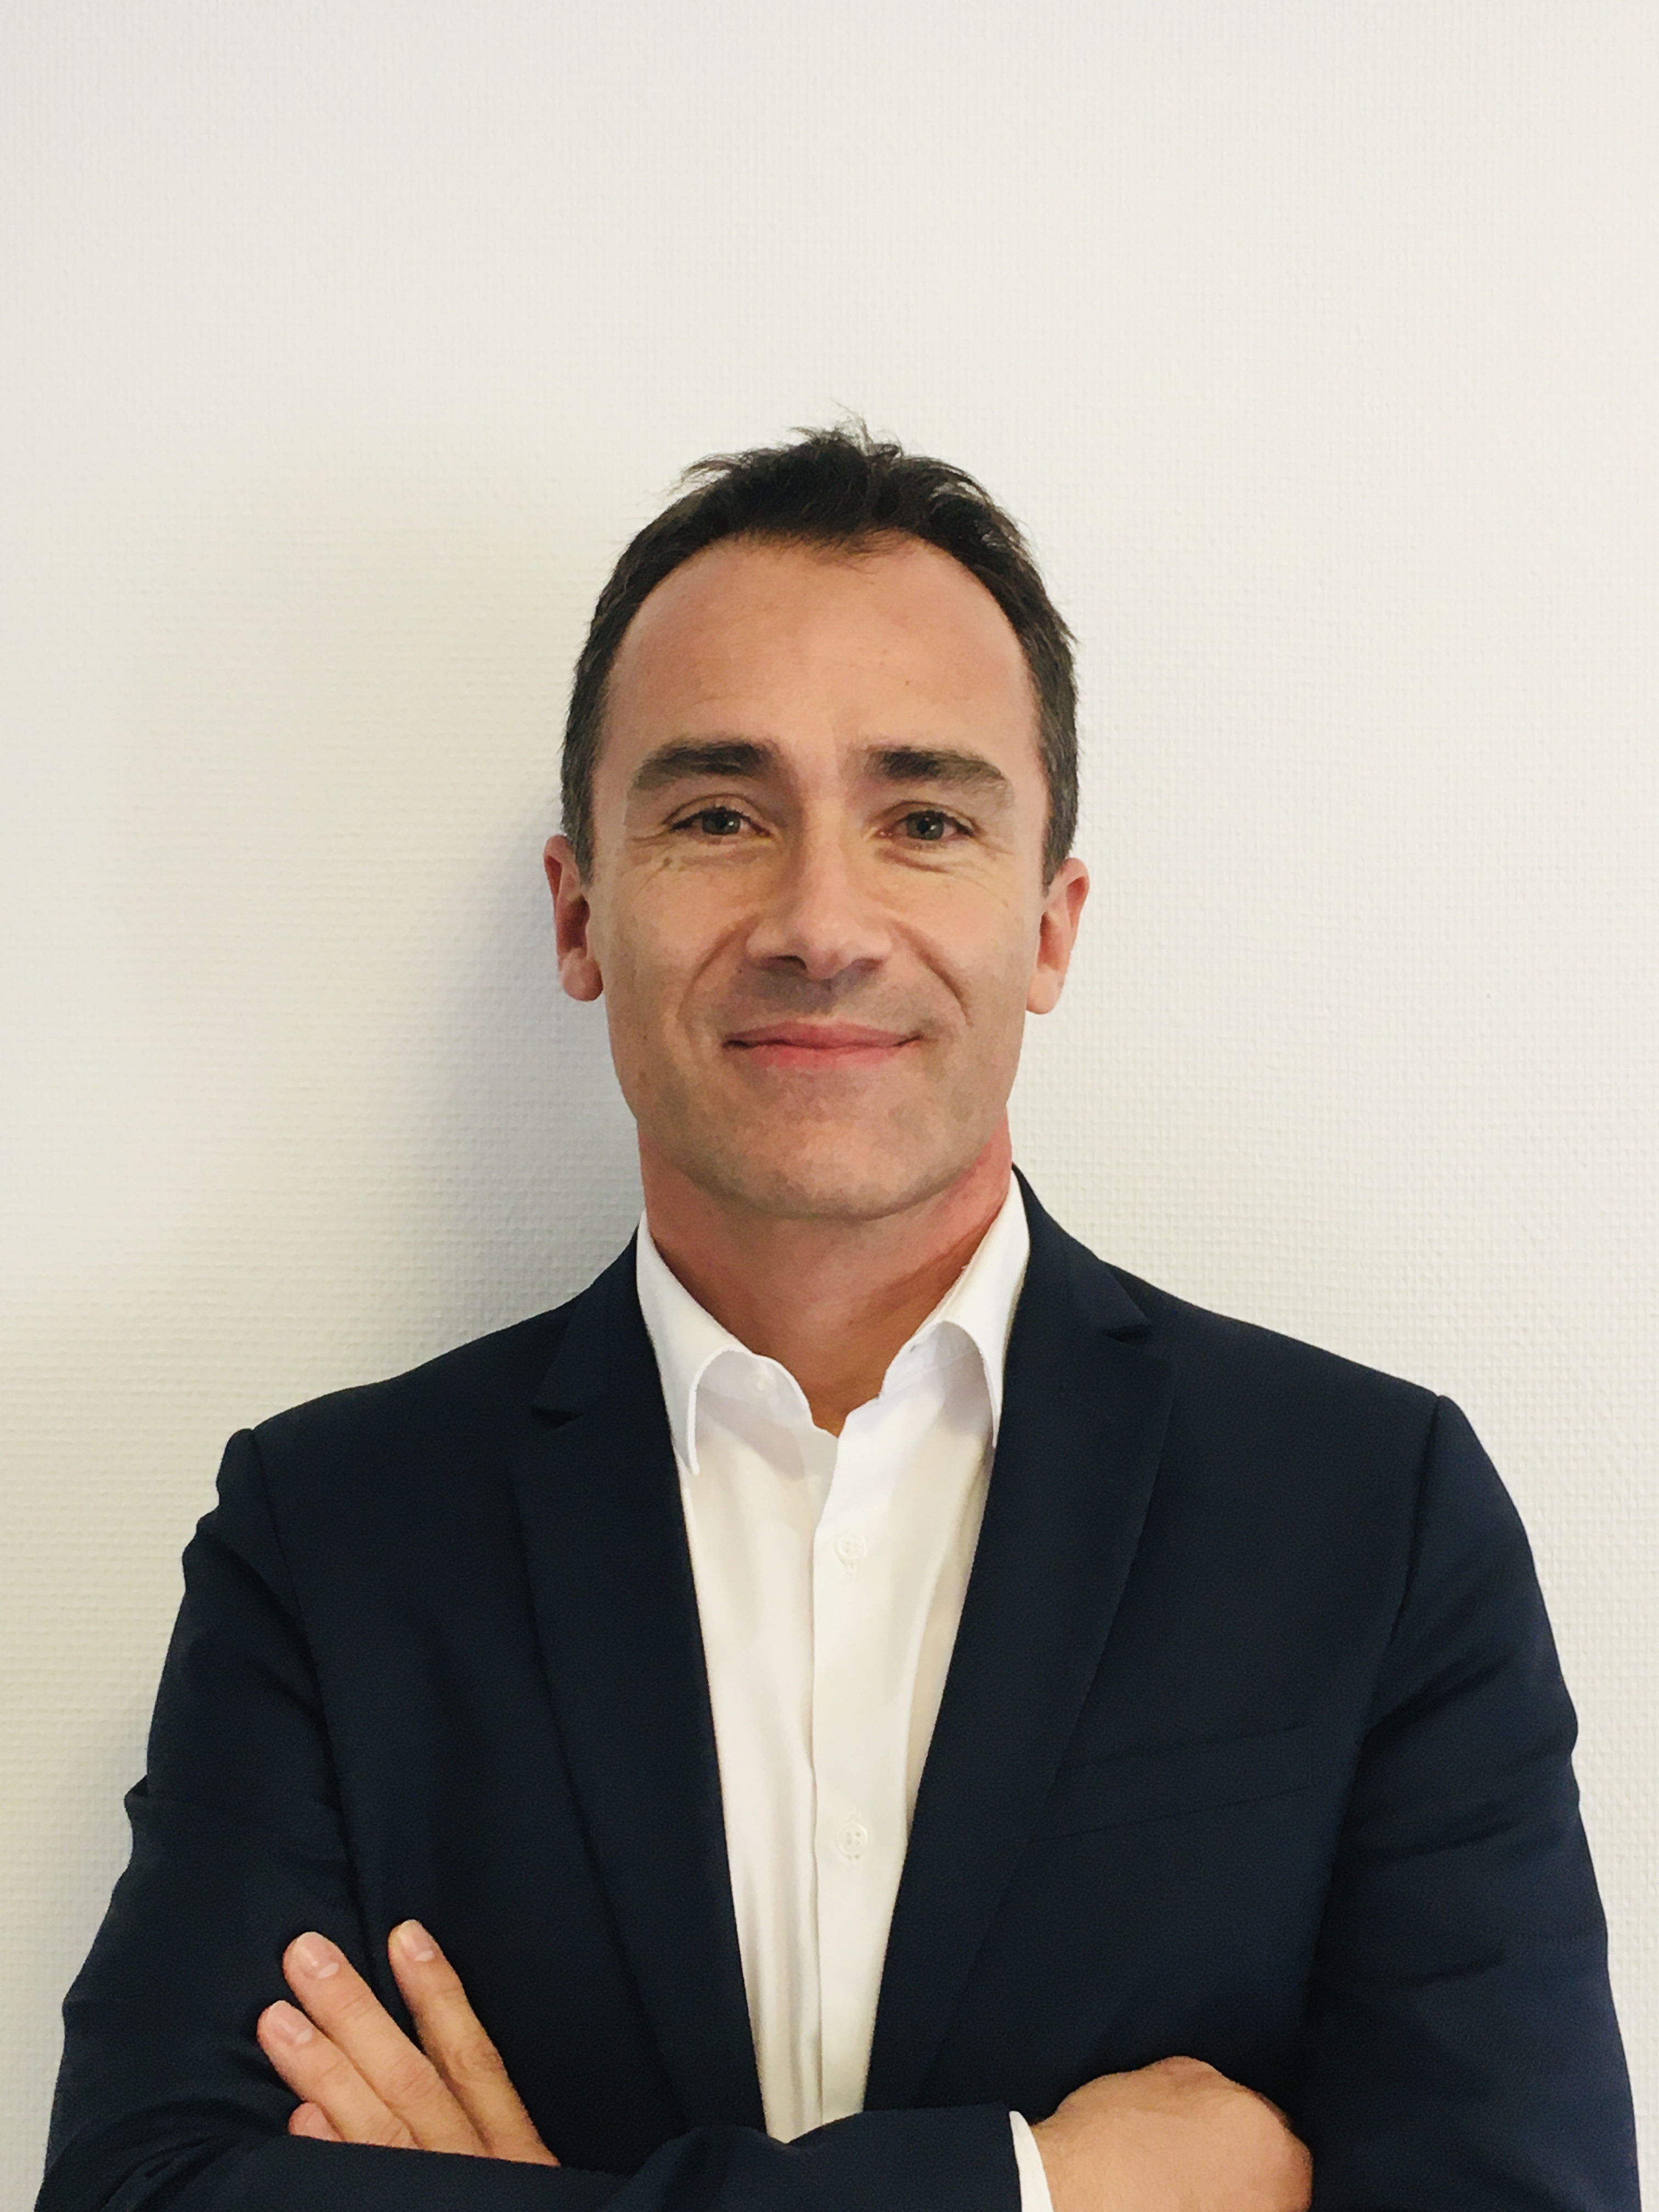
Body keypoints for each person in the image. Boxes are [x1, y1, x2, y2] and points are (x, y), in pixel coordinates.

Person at [38, 427, 1637, 2212]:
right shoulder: (332, 1536)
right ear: (581, 912)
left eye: (925, 821)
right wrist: (1037, 2191)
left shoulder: (1370, 1513)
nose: (821, 922)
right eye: (720, 817)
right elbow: (139, 2192)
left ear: (1051, 926)